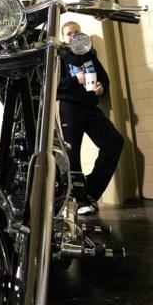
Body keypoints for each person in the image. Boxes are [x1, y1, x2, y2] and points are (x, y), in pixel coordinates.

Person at [57, 21, 124, 215]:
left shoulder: (89, 55)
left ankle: (90, 191)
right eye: (69, 33)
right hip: (70, 108)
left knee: (114, 142)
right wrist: (74, 80)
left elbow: (104, 79)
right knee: (72, 155)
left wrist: (102, 88)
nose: (73, 36)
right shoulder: (60, 56)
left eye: (76, 32)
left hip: (91, 108)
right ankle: (78, 201)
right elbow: (53, 83)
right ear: (63, 38)